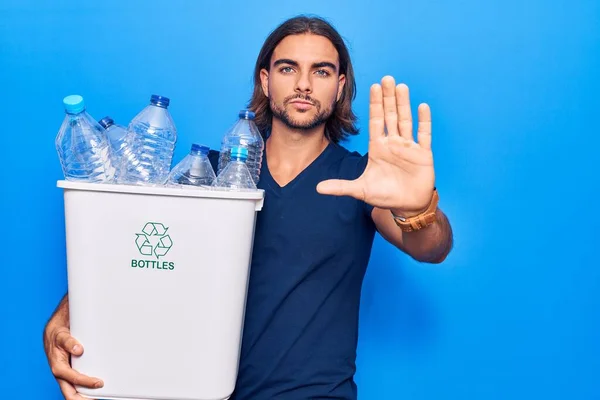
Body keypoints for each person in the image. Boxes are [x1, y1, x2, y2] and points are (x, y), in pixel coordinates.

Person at [44, 15, 453, 400]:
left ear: (341, 85)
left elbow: (431, 247)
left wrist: (418, 208)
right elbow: (142, 257)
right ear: (266, 79)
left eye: (322, 71)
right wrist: (68, 311)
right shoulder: (211, 172)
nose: (304, 85)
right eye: (288, 68)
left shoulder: (363, 180)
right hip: (196, 389)